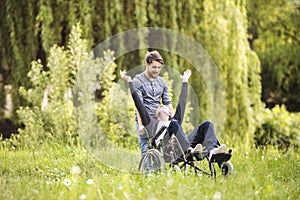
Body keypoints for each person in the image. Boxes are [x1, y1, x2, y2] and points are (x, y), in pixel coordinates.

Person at [120, 69, 227, 161]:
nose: (161, 105)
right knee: (174, 124)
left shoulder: (174, 120)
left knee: (207, 124)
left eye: (164, 106)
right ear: (156, 115)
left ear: (169, 112)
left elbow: (182, 102)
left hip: (183, 144)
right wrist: (130, 81)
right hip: (167, 151)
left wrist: (185, 80)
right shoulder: (151, 123)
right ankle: (188, 150)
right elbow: (138, 103)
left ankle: (213, 151)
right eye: (160, 106)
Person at [132, 51, 173, 155]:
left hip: (159, 118)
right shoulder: (138, 81)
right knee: (146, 148)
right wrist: (141, 125)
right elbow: (139, 105)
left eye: (159, 68)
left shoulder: (162, 82)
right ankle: (146, 171)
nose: (157, 70)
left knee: (159, 148)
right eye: (154, 67)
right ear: (147, 64)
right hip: (145, 118)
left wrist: (171, 115)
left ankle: (158, 171)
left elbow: (167, 101)